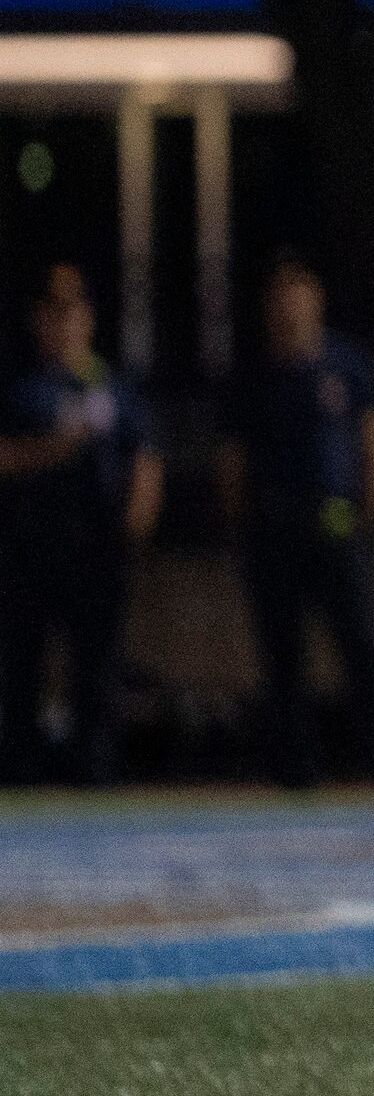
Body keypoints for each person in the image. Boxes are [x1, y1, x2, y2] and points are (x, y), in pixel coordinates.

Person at [216, 255, 374, 789]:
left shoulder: (348, 366)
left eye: (299, 294)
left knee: (364, 647)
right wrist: (243, 526)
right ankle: (295, 772)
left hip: (338, 525)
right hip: (275, 527)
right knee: (283, 654)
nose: (289, 306)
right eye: (280, 296)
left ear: (316, 300)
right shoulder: (253, 375)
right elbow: (233, 460)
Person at [0, 263, 161, 785]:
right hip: (30, 547)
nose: (63, 323)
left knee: (94, 670)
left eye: (73, 312)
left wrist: (135, 526)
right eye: (53, 312)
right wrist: (55, 447)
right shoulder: (23, 388)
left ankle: (92, 774)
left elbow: (145, 455)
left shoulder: (111, 386)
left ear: (88, 319)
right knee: (22, 666)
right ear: (38, 321)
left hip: (96, 549)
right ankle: (20, 771)